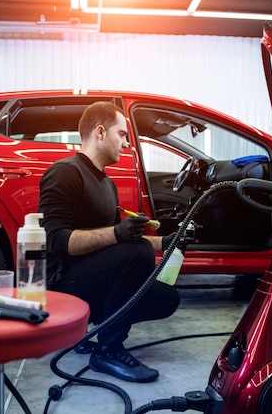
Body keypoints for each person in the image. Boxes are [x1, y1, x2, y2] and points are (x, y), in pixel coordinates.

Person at [38, 101, 180, 383]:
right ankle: (108, 349)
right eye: (122, 134)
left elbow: (111, 240)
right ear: (100, 132)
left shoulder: (107, 184)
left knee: (167, 299)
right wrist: (119, 234)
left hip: (90, 278)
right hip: (60, 284)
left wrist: (165, 242)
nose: (126, 143)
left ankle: (82, 333)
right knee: (137, 252)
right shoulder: (65, 172)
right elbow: (56, 241)